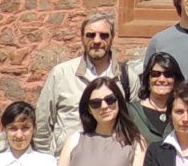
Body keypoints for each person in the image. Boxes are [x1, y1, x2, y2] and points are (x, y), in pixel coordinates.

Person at [33, 12, 138, 154]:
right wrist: (46, 158)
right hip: (67, 161)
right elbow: (42, 122)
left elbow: (135, 123)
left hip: (111, 161)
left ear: (112, 38)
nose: (97, 40)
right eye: (90, 35)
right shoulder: (61, 74)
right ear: (82, 37)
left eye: (104, 35)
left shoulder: (126, 77)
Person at [132, 52, 186, 144]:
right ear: (147, 78)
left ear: (176, 79)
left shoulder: (185, 112)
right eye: (155, 74)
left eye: (168, 74)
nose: (161, 79)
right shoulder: (132, 111)